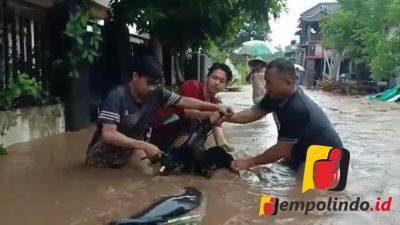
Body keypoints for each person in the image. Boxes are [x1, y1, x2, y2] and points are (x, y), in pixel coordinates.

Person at [85, 55, 234, 173]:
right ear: (135, 76)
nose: (153, 88)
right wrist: (144, 145)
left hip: (133, 148)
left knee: (150, 178)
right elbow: (108, 135)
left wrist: (217, 107)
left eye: (156, 84)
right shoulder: (117, 96)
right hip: (103, 154)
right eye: (149, 83)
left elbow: (186, 101)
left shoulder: (157, 92)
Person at [223, 58, 343, 171]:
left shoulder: (298, 108)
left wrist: (250, 162)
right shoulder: (276, 95)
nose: (266, 87)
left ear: (288, 82)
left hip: (328, 158)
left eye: (269, 82)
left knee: (314, 192)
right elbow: (255, 112)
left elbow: (282, 149)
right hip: (301, 151)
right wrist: (227, 118)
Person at [151, 63, 233, 148]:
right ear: (207, 77)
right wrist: (217, 114)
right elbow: (189, 112)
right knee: (194, 122)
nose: (216, 83)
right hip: (159, 130)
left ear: (225, 86)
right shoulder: (191, 86)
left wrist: (227, 151)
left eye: (222, 81)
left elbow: (219, 134)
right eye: (214, 78)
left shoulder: (215, 105)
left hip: (180, 136)